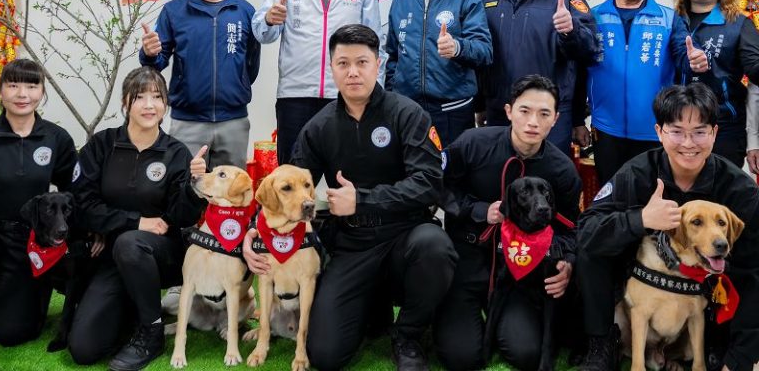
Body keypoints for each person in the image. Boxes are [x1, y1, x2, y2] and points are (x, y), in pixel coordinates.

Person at [244, 25, 457, 371]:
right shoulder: (319, 126)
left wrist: (364, 199)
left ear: (379, 63)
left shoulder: (408, 114)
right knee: (325, 355)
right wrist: (257, 228)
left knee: (436, 246)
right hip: (353, 243)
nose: (353, 71)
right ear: (332, 67)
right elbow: (287, 186)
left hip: (406, 234)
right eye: (343, 63)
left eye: (362, 62)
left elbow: (431, 183)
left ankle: (408, 334)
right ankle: (372, 311)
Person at [577, 82, 759, 371]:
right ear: (659, 132)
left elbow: (753, 273)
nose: (688, 143)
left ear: (714, 134)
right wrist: (640, 220)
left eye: (699, 132)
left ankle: (719, 345)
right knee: (593, 249)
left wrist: (739, 360)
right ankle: (603, 342)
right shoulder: (637, 173)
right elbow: (587, 230)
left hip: (708, 300)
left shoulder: (739, 189)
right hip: (641, 289)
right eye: (676, 131)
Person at [433, 74, 581, 371]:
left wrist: (568, 260)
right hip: (469, 257)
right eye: (525, 111)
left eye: (544, 114)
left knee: (525, 353)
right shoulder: (473, 143)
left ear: (555, 119)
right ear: (509, 110)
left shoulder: (562, 171)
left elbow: (571, 227)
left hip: (521, 274)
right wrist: (478, 210)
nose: (533, 122)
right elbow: (440, 185)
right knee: (461, 357)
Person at [68, 67, 203, 370]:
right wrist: (134, 221)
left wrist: (195, 188)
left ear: (166, 104)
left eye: (157, 97)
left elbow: (180, 217)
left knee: (131, 243)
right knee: (83, 349)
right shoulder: (102, 145)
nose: (149, 105)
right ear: (125, 103)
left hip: (161, 253)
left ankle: (152, 332)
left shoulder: (175, 152)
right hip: (114, 258)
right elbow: (83, 203)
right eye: (140, 97)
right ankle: (133, 307)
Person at [252, 0, 382, 164]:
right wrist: (269, 19)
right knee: (294, 176)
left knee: (348, 174)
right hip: (295, 96)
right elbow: (262, 34)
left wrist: (373, 90)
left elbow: (374, 40)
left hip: (346, 93)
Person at [139, 0, 261, 169]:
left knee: (230, 197)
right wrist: (150, 53)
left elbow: (251, 65)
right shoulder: (174, 11)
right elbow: (156, 64)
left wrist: (237, 87)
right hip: (187, 122)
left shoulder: (245, 12)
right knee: (185, 190)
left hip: (234, 122)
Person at [478, 0, 599, 155]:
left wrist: (570, 30)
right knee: (500, 180)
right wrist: (481, 104)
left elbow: (589, 50)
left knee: (547, 182)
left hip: (549, 115)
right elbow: (480, 53)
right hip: (501, 112)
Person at [0, 59, 77, 346]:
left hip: (31, 244)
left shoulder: (56, 138)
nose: (22, 94)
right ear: (0, 90)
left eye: (31, 85)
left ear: (42, 91)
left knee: (12, 333)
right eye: (13, 85)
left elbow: (73, 192)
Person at [386, 0, 492, 146]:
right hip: (407, 110)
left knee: (451, 177)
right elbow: (392, 56)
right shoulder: (401, 0)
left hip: (452, 112)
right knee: (409, 175)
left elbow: (485, 51)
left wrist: (458, 47)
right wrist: (392, 97)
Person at [579, 0, 676, 185]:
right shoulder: (593, 18)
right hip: (606, 130)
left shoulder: (669, 19)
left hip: (655, 130)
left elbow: (683, 63)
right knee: (610, 198)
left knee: (650, 199)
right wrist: (577, 121)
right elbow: (579, 72)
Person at [671, 0, 759, 168]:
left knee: (721, 197)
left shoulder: (739, 24)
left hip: (723, 127)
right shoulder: (669, 20)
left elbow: (755, 70)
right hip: (675, 126)